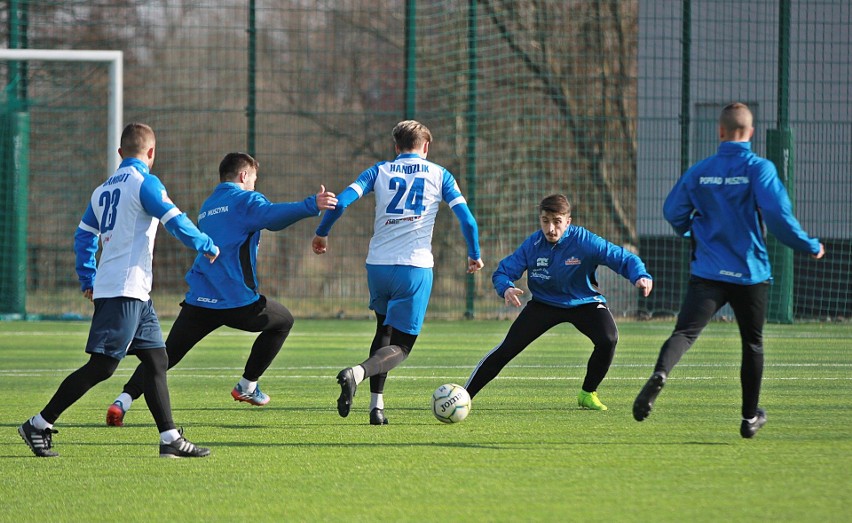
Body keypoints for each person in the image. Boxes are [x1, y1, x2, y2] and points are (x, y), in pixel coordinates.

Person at [18, 123, 220, 458]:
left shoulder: (101, 190)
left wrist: (87, 277)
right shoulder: (146, 183)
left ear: (120, 153)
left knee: (157, 360)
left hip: (133, 291)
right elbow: (175, 220)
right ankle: (38, 424)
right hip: (124, 290)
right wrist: (205, 244)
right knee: (102, 367)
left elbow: (83, 237)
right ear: (152, 153)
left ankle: (169, 438)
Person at [632, 102, 825, 438]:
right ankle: (749, 419)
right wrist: (810, 245)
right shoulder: (759, 169)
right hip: (750, 273)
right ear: (750, 133)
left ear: (720, 131)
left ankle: (661, 373)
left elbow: (672, 211)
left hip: (707, 271)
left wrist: (690, 231)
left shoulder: (701, 170)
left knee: (684, 333)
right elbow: (779, 219)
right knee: (752, 343)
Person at [104, 152, 338, 426]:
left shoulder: (209, 204)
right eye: (254, 179)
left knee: (167, 354)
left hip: (201, 299)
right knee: (283, 321)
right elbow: (273, 216)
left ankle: (123, 401)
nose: (254, 185)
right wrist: (312, 205)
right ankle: (247, 385)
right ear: (243, 176)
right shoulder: (245, 200)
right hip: (237, 301)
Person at [312, 120, 484, 425]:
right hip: (414, 268)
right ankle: (357, 373)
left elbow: (339, 204)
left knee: (384, 331)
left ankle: (376, 408)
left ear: (396, 147)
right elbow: (468, 221)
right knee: (402, 346)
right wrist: (474, 255)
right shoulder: (440, 174)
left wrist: (322, 233)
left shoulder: (378, 171)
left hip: (378, 266)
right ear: (426, 147)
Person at [464, 194, 653, 410]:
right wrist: (506, 288)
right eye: (545, 221)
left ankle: (588, 393)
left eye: (557, 222)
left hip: (583, 302)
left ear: (568, 222)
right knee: (507, 349)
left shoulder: (585, 241)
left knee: (608, 339)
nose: (551, 229)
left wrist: (640, 275)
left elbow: (623, 257)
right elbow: (502, 272)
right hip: (544, 304)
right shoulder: (533, 245)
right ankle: (463, 396)